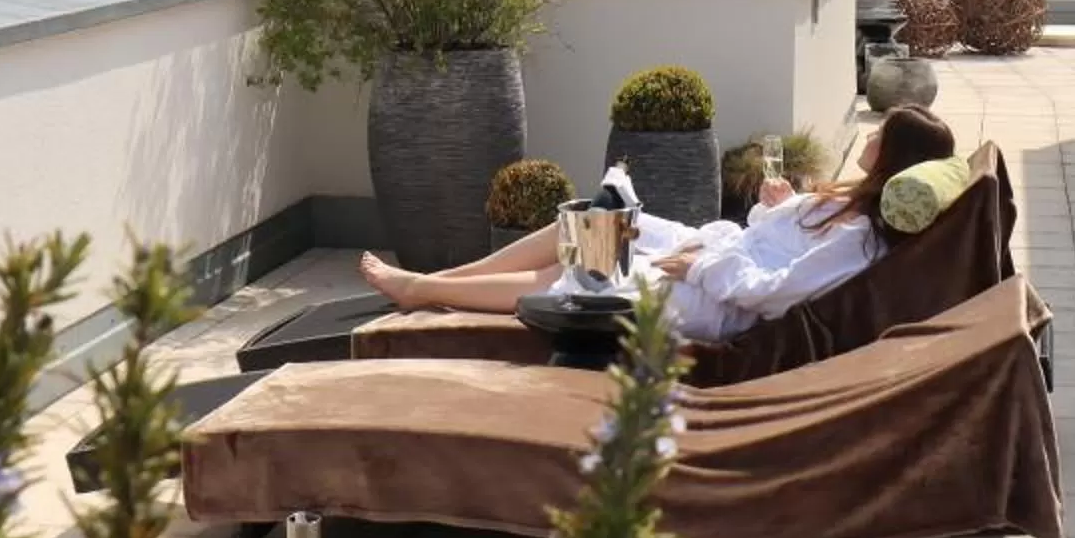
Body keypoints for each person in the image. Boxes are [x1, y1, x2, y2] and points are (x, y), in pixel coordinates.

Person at [356, 106, 961, 344]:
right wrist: (775, 206)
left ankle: (422, 290)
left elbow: (775, 293)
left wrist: (698, 266)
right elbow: (778, 246)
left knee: (582, 269)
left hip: (711, 298)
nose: (871, 133)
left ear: (894, 155)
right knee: (592, 220)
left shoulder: (861, 242)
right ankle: (441, 278)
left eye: (883, 132)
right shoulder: (851, 206)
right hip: (710, 254)